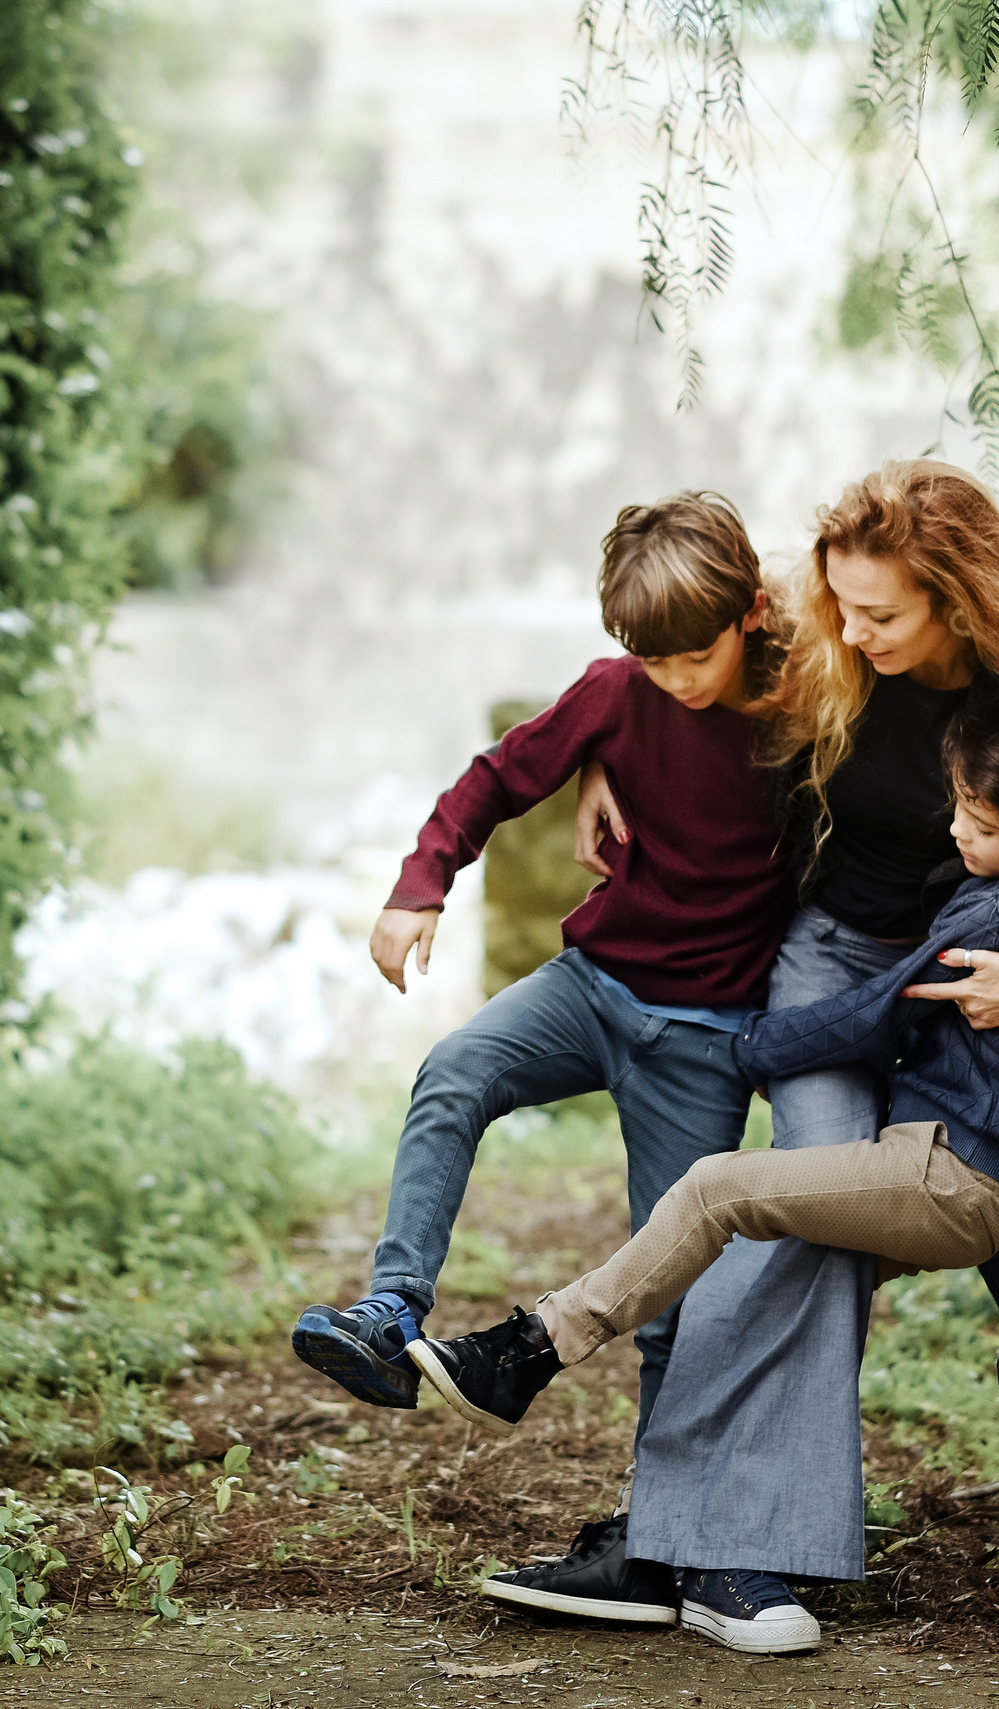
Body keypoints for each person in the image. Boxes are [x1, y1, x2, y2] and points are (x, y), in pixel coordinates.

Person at [480, 459, 999, 1648]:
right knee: (804, 1213)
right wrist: (606, 763)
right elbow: (673, 679)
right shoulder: (820, 644)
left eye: (881, 612)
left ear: (957, 600)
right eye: (839, 601)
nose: (852, 627)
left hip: (985, 985)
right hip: (833, 968)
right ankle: (716, 1545)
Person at [406, 696, 999, 1654]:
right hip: (953, 1169)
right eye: (957, 806)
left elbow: (873, 1014)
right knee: (757, 1267)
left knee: (718, 1188)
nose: (957, 832)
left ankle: (532, 1348)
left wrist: (746, 1044)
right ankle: (683, 1533)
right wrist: (608, 760)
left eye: (983, 825)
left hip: (950, 1177)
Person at [291, 493, 794, 1428]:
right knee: (454, 1071)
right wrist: (419, 883)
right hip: (592, 988)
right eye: (655, 660)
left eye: (697, 656)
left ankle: (668, 1506)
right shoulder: (618, 691)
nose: (678, 680)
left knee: (674, 1297)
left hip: (706, 1038)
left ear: (752, 613)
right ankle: (390, 1310)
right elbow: (497, 776)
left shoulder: (802, 712)